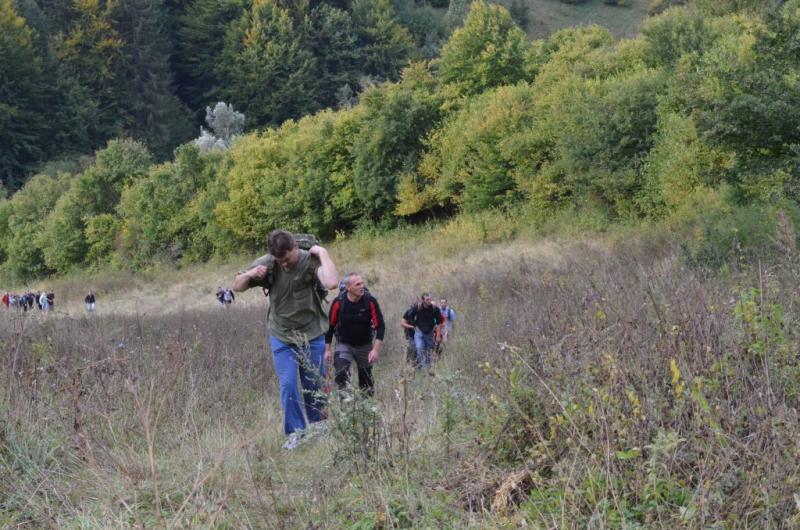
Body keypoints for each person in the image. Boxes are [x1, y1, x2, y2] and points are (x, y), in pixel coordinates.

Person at [233, 230, 338, 450]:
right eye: (280, 261)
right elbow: (237, 286)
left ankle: (319, 425)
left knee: (314, 382)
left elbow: (331, 283)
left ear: (295, 247)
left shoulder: (309, 260)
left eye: (287, 259)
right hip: (281, 335)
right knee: (288, 384)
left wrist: (323, 252)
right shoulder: (269, 263)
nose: (284, 264)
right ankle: (296, 433)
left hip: (312, 333)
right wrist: (251, 274)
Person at [324, 273, 385, 397]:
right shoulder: (338, 303)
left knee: (366, 380)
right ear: (348, 287)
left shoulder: (370, 301)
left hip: (365, 346)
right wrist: (328, 350)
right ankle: (346, 403)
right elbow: (330, 326)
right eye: (358, 284)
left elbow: (380, 326)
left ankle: (367, 405)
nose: (362, 286)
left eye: (362, 283)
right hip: (344, 345)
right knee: (341, 373)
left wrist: (375, 350)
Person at [402, 293, 443, 371]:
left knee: (428, 350)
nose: (429, 301)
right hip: (419, 331)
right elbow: (410, 316)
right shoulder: (418, 307)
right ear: (423, 300)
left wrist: (438, 335)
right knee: (419, 348)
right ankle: (422, 367)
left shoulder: (435, 308)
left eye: (430, 299)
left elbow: (439, 323)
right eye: (427, 299)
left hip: (429, 332)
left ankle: (428, 367)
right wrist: (414, 325)